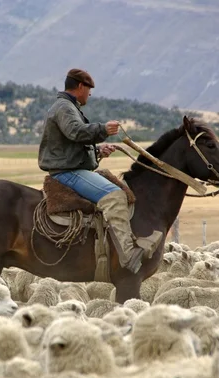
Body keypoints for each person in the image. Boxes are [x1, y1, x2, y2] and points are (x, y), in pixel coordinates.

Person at [37, 68, 163, 274]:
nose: (90, 94)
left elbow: (69, 144)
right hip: (67, 172)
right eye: (89, 89)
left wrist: (97, 150)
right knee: (115, 196)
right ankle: (128, 255)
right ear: (80, 86)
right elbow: (76, 132)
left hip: (69, 168)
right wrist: (103, 130)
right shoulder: (65, 108)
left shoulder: (67, 107)